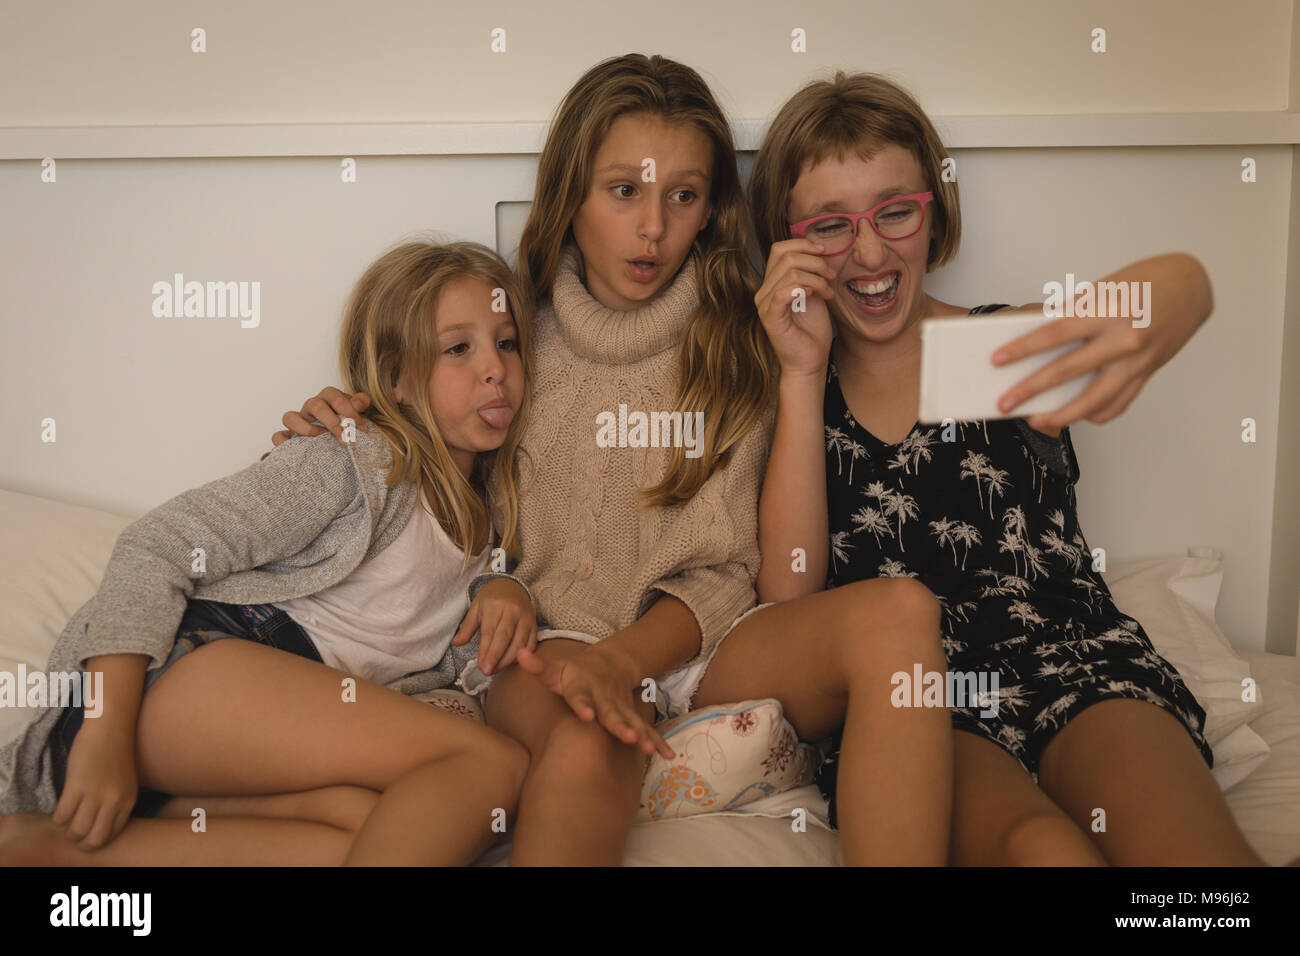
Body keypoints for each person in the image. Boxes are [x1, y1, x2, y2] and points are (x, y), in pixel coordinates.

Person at [270, 54, 956, 865]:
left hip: (715, 643)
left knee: (902, 612)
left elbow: (742, 570)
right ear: (571, 193)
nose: (653, 228)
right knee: (591, 734)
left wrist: (627, 659)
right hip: (556, 631)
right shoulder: (508, 337)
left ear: (709, 210)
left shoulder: (748, 333)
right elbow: (434, 454)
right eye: (624, 190)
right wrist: (351, 420)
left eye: (684, 196)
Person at [744, 70, 1263, 865]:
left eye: (895, 212)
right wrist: (801, 375)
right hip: (922, 707)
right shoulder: (796, 389)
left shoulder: (1000, 348)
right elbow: (788, 590)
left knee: (1198, 874)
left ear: (934, 212)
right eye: (829, 227)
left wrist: (1172, 298)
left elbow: (1174, 286)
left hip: (1079, 661)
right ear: (784, 243)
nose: (871, 251)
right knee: (1043, 851)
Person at [0, 240, 536, 866]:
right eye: (458, 348)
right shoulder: (351, 458)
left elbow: (470, 672)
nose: (494, 368)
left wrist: (511, 592)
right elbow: (157, 546)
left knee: (393, 824)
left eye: (506, 342)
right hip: (178, 678)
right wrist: (105, 730)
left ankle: (54, 850)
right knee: (492, 764)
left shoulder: (492, 532)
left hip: (261, 737)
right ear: (396, 379)